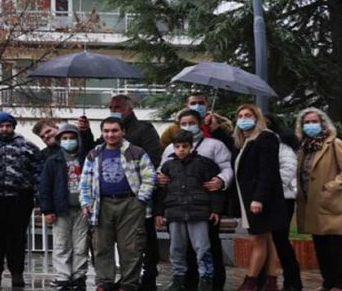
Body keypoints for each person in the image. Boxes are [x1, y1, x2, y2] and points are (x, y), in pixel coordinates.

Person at [80, 93, 162, 290]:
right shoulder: (95, 153)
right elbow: (86, 180)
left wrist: (140, 200)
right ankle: (104, 282)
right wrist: (86, 202)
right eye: (106, 131)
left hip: (131, 204)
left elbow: (150, 176)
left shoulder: (136, 150)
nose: (110, 134)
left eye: (115, 131)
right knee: (101, 246)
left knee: (131, 247)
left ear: (122, 132)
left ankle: (129, 283)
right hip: (103, 203)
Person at [157, 109, 233, 290]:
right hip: (175, 212)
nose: (181, 150)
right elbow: (162, 188)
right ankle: (179, 279)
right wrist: (160, 211)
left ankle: (207, 279)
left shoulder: (206, 160)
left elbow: (215, 186)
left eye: (185, 146)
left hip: (199, 212)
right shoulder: (168, 162)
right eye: (177, 146)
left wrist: (216, 209)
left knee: (203, 247)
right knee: (176, 248)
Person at [295, 108, 342, 291]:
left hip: (330, 202)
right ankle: (328, 282)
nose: (310, 125)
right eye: (306, 122)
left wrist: (331, 186)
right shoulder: (304, 148)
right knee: (321, 246)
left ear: (323, 124)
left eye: (314, 122)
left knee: (336, 246)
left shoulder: (334, 144)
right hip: (311, 203)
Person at [232, 104, 288, 291]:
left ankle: (250, 281)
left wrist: (259, 198)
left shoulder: (265, 137)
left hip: (259, 200)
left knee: (258, 240)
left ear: (257, 118)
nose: (243, 118)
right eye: (240, 115)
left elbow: (267, 171)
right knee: (265, 239)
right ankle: (271, 281)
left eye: (248, 115)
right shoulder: (245, 141)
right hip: (248, 199)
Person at [0, 112, 40, 288]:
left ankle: (17, 274)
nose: (4, 129)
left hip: (20, 198)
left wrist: (37, 194)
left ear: (13, 127)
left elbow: (37, 170)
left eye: (8, 126)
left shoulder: (27, 146)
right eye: (1, 126)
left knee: (17, 238)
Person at [38, 123, 91, 290]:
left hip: (83, 210)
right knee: (62, 244)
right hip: (61, 210)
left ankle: (79, 276)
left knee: (81, 245)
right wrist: (47, 209)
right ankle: (63, 277)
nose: (69, 141)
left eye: (72, 138)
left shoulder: (86, 158)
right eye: (65, 138)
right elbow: (45, 187)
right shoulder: (53, 161)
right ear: (60, 141)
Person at [267, 114, 302, 291]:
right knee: (268, 240)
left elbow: (288, 169)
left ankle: (293, 281)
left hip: (281, 199)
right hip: (264, 199)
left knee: (281, 240)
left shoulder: (281, 145)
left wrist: (268, 189)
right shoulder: (255, 144)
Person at [159, 92, 234, 148]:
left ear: (207, 105)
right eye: (193, 103)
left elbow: (230, 148)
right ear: (187, 106)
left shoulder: (221, 126)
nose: (197, 106)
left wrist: (217, 131)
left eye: (201, 103)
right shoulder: (174, 129)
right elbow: (164, 148)